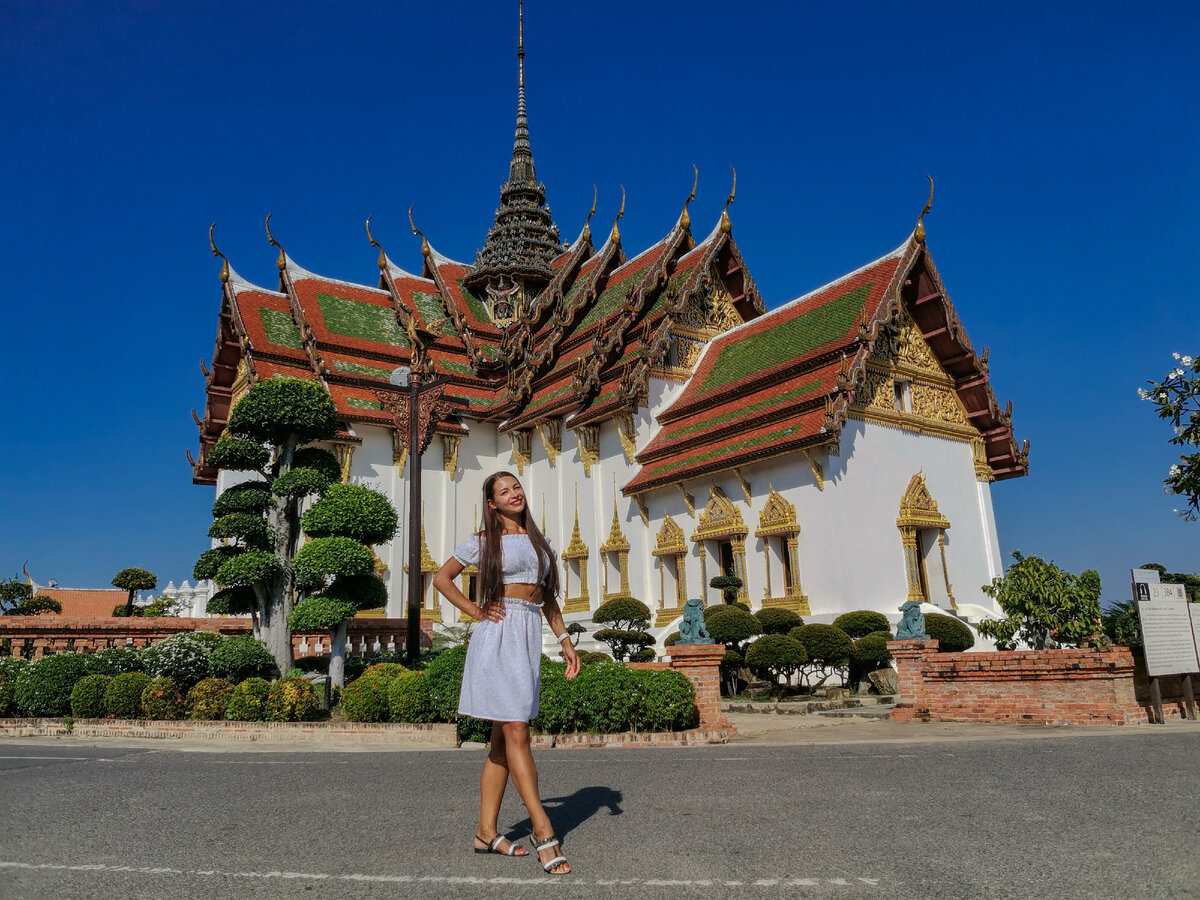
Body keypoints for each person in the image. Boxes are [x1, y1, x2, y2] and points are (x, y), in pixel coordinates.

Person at [432, 471, 580, 875]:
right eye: (504, 491)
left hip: (528, 633)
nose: (514, 494)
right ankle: (543, 829)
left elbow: (545, 596)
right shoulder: (483, 542)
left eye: (516, 487)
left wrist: (565, 640)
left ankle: (485, 832)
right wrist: (477, 611)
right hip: (497, 635)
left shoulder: (538, 541)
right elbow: (441, 579)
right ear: (492, 504)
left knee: (502, 740)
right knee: (516, 728)